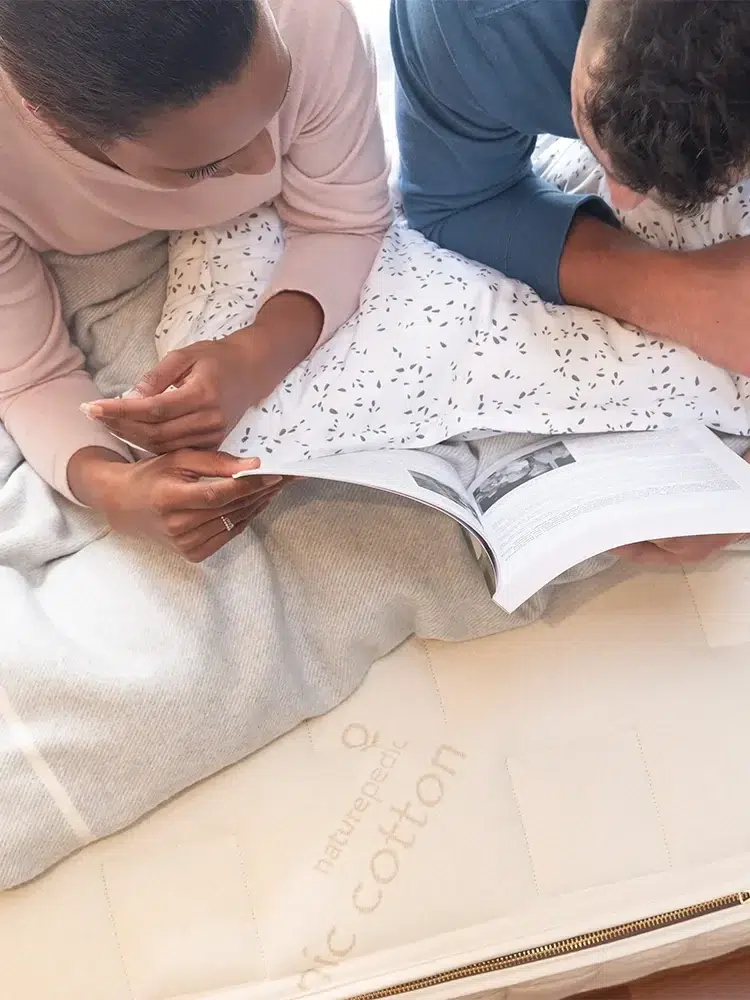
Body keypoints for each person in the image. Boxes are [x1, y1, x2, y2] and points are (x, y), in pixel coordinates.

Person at [0, 0, 391, 562]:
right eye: (203, 166)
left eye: (281, 94)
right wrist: (116, 490)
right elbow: (26, 379)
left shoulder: (308, 15)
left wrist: (257, 354)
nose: (266, 161)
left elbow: (346, 220)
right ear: (55, 124)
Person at [391, 0, 750, 566]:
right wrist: (672, 289)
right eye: (595, 130)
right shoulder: (461, 19)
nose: (624, 200)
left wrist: (740, 492)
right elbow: (455, 204)